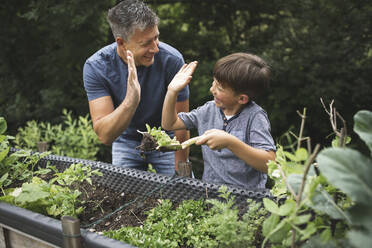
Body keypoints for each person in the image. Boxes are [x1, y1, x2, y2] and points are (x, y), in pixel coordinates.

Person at [83, 0, 189, 175]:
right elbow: (105, 135)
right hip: (125, 140)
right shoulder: (97, 67)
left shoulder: (172, 60)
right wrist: (130, 102)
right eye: (146, 43)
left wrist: (181, 170)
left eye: (156, 38)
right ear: (121, 43)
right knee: (123, 196)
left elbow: (182, 124)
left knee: (185, 194)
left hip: (166, 138)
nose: (155, 48)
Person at [162, 53, 276, 189]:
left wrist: (230, 142)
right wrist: (172, 92)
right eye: (213, 83)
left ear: (242, 99)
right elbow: (170, 124)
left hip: (246, 200)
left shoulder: (255, 117)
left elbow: (270, 164)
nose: (212, 90)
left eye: (220, 88)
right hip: (210, 195)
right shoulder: (208, 109)